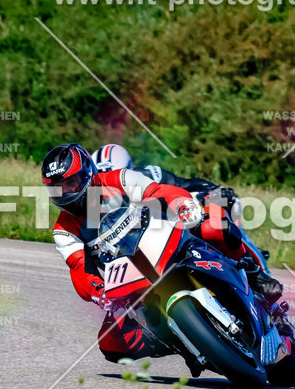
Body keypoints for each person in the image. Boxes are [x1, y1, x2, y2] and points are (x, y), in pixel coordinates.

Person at [42, 143, 278, 368]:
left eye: (71, 182)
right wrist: (99, 291)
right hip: (131, 281)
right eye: (59, 187)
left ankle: (254, 275)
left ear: (87, 173)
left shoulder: (120, 179)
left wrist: (183, 205)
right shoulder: (63, 230)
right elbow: (79, 268)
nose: (67, 191)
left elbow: (159, 191)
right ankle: (181, 342)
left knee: (214, 223)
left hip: (170, 243)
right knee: (109, 342)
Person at [90, 143, 278, 294]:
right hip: (140, 258)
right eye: (101, 178)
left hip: (174, 231)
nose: (108, 184)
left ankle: (256, 275)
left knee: (216, 220)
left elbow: (181, 184)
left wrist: (211, 190)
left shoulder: (143, 176)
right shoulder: (91, 208)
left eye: (111, 174)